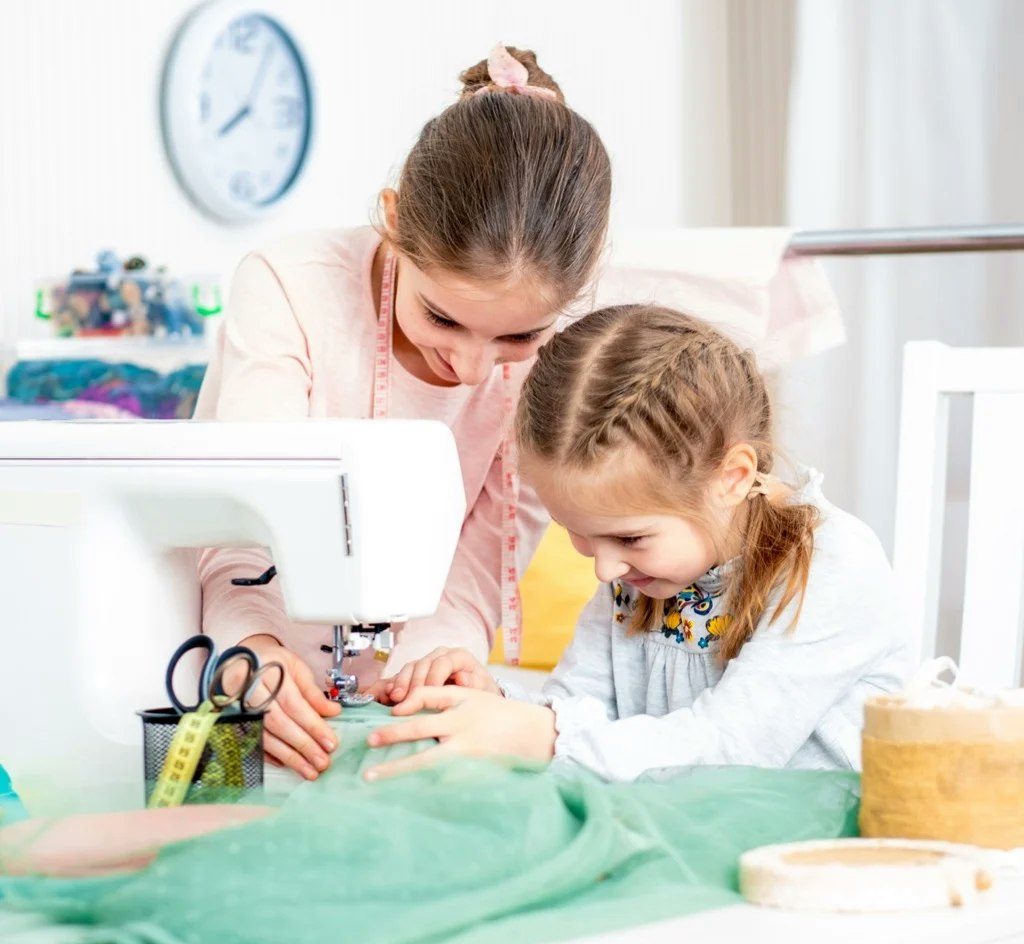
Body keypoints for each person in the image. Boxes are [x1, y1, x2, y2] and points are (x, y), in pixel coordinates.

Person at [194, 46, 612, 782]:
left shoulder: (558, 360)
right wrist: (249, 648)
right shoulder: (288, 290)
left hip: (377, 682)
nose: (475, 368)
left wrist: (436, 664)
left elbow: (487, 555)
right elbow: (240, 515)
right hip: (232, 643)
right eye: (443, 319)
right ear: (393, 222)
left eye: (518, 336)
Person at [365, 304, 912, 782]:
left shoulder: (830, 566)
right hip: (690, 824)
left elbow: (734, 746)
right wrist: (494, 705)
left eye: (630, 536)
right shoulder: (645, 570)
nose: (604, 569)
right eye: (576, 532)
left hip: (820, 847)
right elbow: (582, 709)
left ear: (732, 477)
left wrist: (541, 736)